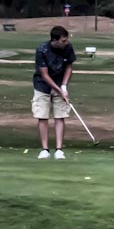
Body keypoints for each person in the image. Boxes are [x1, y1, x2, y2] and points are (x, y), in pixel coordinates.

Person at [32, 25, 76, 159]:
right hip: (42, 85)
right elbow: (45, 75)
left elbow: (69, 67)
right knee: (42, 116)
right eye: (63, 41)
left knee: (60, 116)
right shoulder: (42, 50)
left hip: (60, 83)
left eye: (66, 40)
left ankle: (59, 150)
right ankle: (45, 149)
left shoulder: (68, 48)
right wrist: (58, 89)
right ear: (54, 40)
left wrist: (64, 86)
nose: (66, 43)